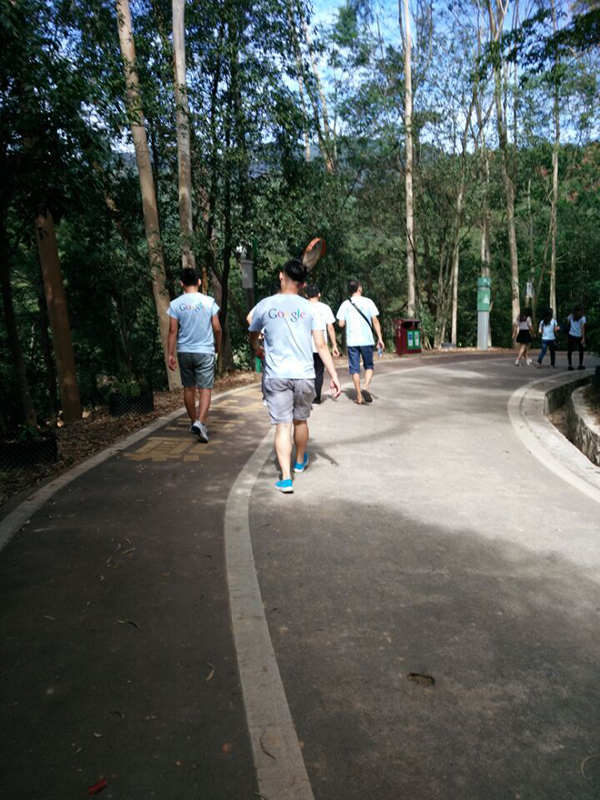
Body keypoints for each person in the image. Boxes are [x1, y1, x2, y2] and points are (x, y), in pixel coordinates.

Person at [249, 258, 341, 493]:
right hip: (304, 375)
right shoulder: (311, 309)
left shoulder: (265, 305)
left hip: (277, 375)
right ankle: (299, 461)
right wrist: (333, 375)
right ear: (303, 284)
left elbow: (253, 336)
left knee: (283, 426)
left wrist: (258, 350)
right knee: (300, 420)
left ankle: (286, 478)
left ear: (281, 276)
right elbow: (320, 345)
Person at [167, 267, 221, 442]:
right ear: (199, 282)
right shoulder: (209, 302)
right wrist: (218, 345)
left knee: (188, 388)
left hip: (184, 351)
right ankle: (200, 422)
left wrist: (170, 354)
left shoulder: (175, 304)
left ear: (181, 283)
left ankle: (194, 422)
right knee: (205, 389)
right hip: (205, 351)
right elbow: (217, 328)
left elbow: (172, 330)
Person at [336, 279, 384, 404]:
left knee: (355, 369)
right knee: (369, 366)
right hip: (366, 340)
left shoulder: (345, 304)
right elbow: (375, 321)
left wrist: (346, 322)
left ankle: (359, 396)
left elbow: (340, 323)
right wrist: (380, 338)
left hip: (352, 341)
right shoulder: (368, 302)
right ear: (360, 289)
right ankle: (366, 387)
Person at [305, 283, 340, 404]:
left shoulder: (302, 308)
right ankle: (316, 397)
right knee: (319, 372)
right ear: (319, 294)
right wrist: (334, 344)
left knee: (307, 371)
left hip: (305, 346)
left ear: (306, 295)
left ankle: (307, 396)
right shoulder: (325, 308)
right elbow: (330, 327)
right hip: (320, 346)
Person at [566, 305, 587, 371]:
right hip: (579, 335)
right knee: (581, 350)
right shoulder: (583, 318)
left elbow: (567, 324)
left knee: (570, 350)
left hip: (571, 334)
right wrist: (583, 338)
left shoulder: (571, 316)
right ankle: (580, 364)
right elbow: (583, 328)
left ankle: (570, 365)